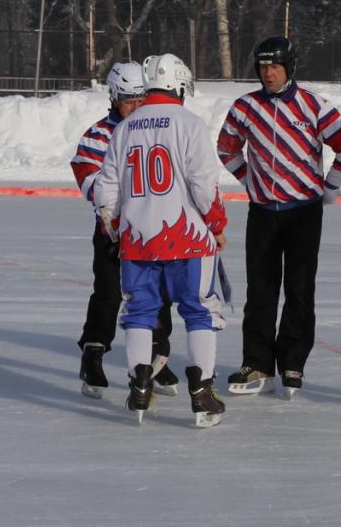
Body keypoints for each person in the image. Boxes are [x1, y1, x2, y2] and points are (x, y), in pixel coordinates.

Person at [216, 36, 341, 398]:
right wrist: (249, 179)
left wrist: (330, 187)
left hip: (303, 213)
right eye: (263, 67)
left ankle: (293, 362)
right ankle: (257, 362)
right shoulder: (245, 108)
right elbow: (226, 148)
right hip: (263, 213)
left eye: (275, 66)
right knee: (261, 290)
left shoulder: (314, 106)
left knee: (299, 290)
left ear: (289, 68)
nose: (268, 73)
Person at [93, 53, 229, 427]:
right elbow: (204, 185)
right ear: (180, 85)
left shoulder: (125, 127)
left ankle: (139, 387)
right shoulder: (190, 123)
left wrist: (116, 227)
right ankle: (201, 393)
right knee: (200, 311)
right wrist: (217, 225)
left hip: (137, 243)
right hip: (188, 241)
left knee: (139, 312)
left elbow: (106, 190)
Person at [70, 61, 178, 400]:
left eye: (141, 99)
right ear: (115, 98)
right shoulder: (99, 135)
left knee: (159, 295)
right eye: (129, 100)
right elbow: (90, 179)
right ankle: (93, 353)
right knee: (109, 293)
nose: (136, 107)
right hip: (113, 232)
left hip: (151, 233)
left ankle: (155, 359)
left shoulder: (156, 130)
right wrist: (114, 219)